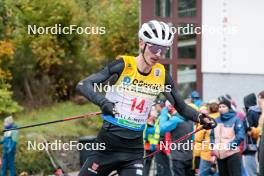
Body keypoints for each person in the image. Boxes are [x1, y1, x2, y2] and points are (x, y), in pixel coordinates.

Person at [76, 20, 216, 176]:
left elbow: (181, 107)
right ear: (141, 43)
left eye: (164, 50)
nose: (158, 54)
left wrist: (200, 117)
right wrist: (103, 102)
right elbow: (83, 85)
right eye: (154, 47)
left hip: (133, 151)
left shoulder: (161, 75)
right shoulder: (123, 66)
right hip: (107, 146)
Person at [210, 97, 244, 176]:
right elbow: (212, 135)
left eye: (224, 106)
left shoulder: (236, 119)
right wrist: (213, 147)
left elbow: (240, 136)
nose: (221, 108)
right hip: (220, 156)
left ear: (228, 108)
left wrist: (230, 146)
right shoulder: (216, 120)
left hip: (232, 154)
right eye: (220, 107)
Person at [197, 101, 219, 176]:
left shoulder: (207, 120)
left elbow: (198, 138)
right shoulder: (221, 119)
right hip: (220, 151)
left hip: (207, 152)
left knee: (203, 174)